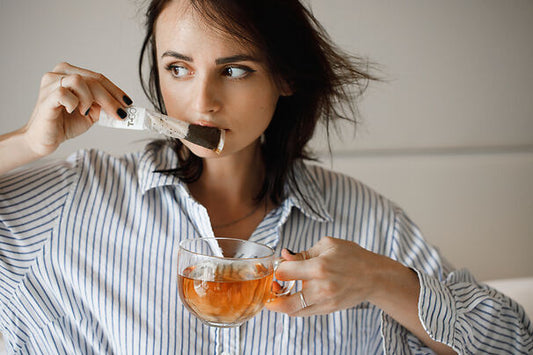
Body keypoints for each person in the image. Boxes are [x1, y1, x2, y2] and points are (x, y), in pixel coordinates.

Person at [0, 0, 531, 353]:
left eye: (235, 70)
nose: (202, 102)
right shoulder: (72, 199)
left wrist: (382, 281)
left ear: (284, 77)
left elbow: (514, 342)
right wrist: (29, 141)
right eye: (178, 68)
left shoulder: (365, 221)